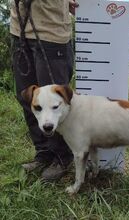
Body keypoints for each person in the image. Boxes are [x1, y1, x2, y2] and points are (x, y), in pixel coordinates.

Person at [10, 0, 79, 181]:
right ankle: (43, 153)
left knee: (56, 103)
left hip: (52, 31)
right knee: (28, 99)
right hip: (19, 28)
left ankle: (62, 157)